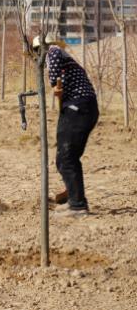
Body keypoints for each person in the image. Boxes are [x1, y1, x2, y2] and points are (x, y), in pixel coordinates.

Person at [36, 36, 99, 217]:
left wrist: (52, 82)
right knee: (64, 159)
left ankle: (78, 206)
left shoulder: (53, 52)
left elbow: (53, 66)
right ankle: (74, 199)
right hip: (81, 108)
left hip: (78, 108)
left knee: (67, 158)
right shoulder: (67, 62)